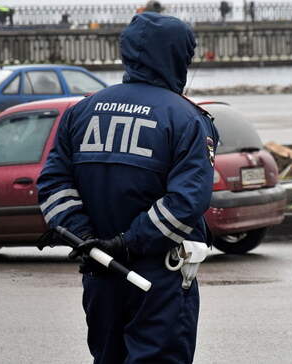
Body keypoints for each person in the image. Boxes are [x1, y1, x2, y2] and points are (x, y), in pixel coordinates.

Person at [37, 13, 218, 364]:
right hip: (157, 277)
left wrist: (88, 240)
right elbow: (186, 201)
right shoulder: (186, 119)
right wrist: (127, 243)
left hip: (99, 271)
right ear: (177, 55)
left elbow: (53, 184)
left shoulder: (82, 111)